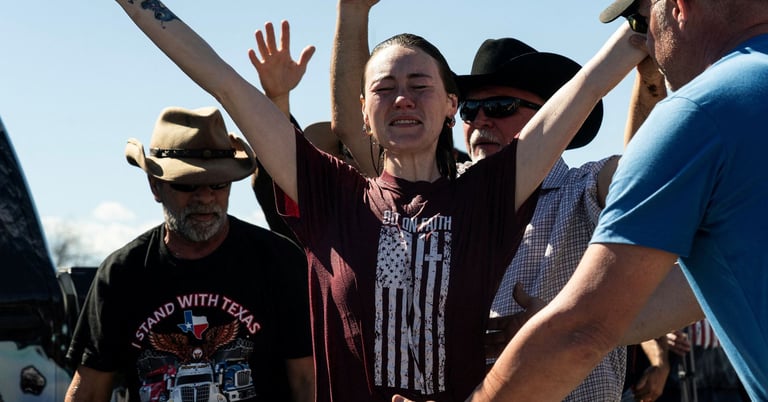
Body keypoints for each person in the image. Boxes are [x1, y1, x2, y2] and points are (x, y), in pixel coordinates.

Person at [113, 0, 644, 400]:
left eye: (419, 85)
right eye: (385, 88)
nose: (403, 98)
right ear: (364, 111)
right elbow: (225, 84)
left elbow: (584, 91)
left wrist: (643, 24)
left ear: (449, 106)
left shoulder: (486, 195)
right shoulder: (331, 195)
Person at [330, 1, 667, 401]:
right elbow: (356, 126)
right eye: (471, 109)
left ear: (551, 114)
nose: (480, 121)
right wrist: (353, 14)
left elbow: (651, 180)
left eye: (501, 107)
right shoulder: (440, 199)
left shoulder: (587, 187)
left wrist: (648, 83)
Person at [464, 0, 768, 399]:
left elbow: (583, 331)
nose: (648, 45)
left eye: (640, 23)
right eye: (470, 109)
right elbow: (697, 287)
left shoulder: (701, 115)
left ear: (677, 6)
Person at [64, 106, 314, 402]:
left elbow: (308, 382)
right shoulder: (122, 273)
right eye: (187, 185)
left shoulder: (279, 262)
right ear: (155, 186)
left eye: (219, 184)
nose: (205, 197)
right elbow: (89, 390)